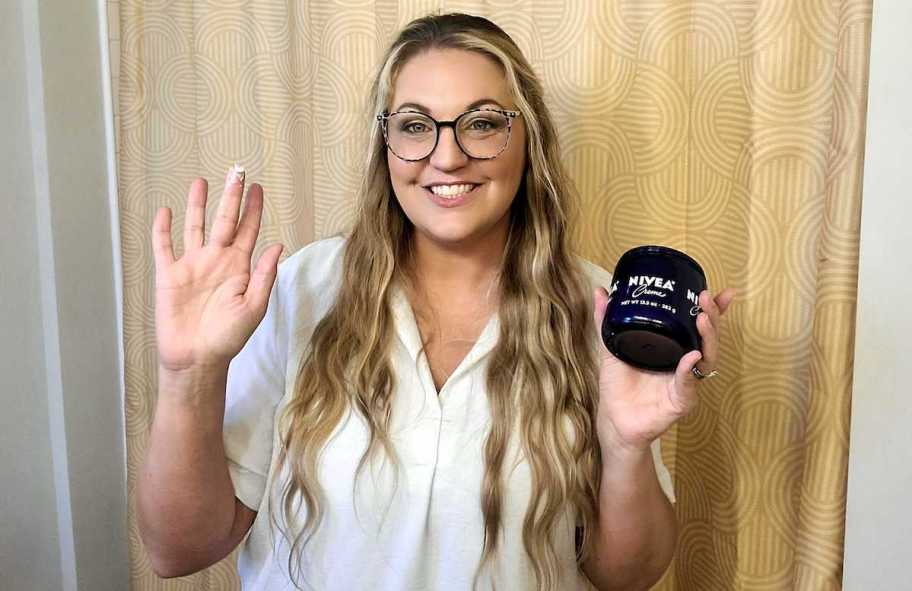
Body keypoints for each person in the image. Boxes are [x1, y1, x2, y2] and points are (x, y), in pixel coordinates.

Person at [137, 12, 735, 591]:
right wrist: (189, 374)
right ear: (387, 145)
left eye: (481, 123)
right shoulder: (303, 289)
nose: (446, 157)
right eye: (416, 125)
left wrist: (627, 447)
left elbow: (625, 577)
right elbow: (178, 550)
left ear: (529, 140)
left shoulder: (598, 306)